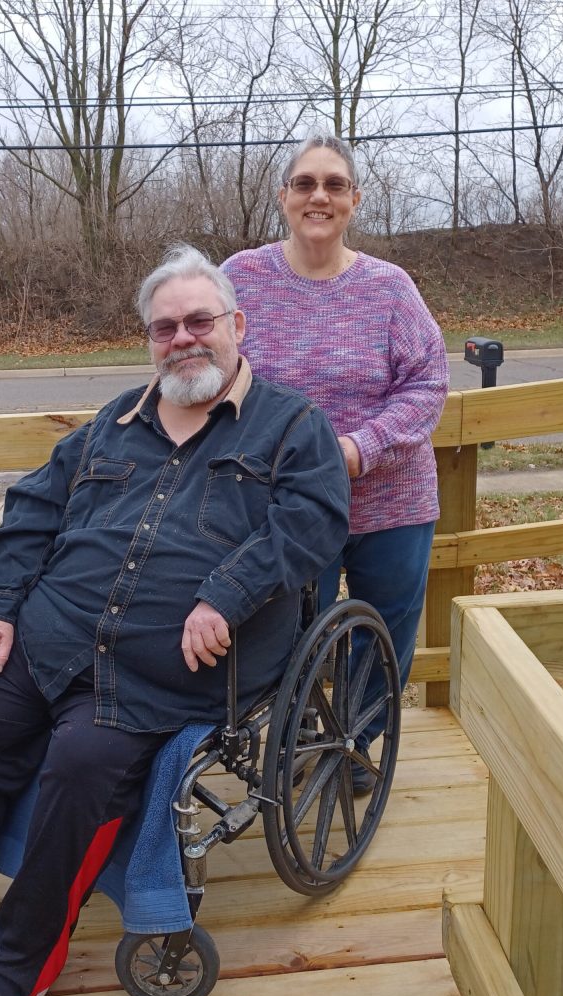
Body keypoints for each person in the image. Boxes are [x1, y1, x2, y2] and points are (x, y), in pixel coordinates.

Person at [0, 244, 350, 996]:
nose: (182, 338)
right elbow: (35, 509)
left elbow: (311, 525)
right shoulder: (113, 423)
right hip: (52, 638)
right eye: (164, 328)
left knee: (83, 764)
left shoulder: (294, 427)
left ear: (237, 326)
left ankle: (15, 971)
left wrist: (226, 594)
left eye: (199, 321)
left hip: (165, 670)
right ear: (149, 341)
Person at [221, 133, 449, 795]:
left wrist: (360, 448)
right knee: (287, 634)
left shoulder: (389, 288)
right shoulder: (241, 278)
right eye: (305, 183)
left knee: (384, 633)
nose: (318, 196)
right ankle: (302, 738)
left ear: (353, 200)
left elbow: (428, 385)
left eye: (333, 185)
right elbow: (214, 371)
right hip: (289, 506)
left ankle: (354, 747)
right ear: (284, 197)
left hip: (391, 502)